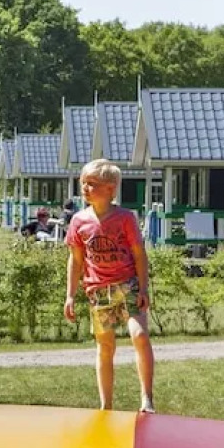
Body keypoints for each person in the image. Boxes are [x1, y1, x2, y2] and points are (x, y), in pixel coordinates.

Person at [64, 159, 155, 413]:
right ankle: (106, 405)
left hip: (128, 285)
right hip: (98, 291)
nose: (85, 188)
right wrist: (70, 295)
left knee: (140, 335)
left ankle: (147, 399)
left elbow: (139, 254)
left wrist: (144, 288)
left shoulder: (125, 218)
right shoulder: (79, 221)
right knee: (105, 346)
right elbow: (76, 259)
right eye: (83, 183)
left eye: (92, 184)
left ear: (110, 189)